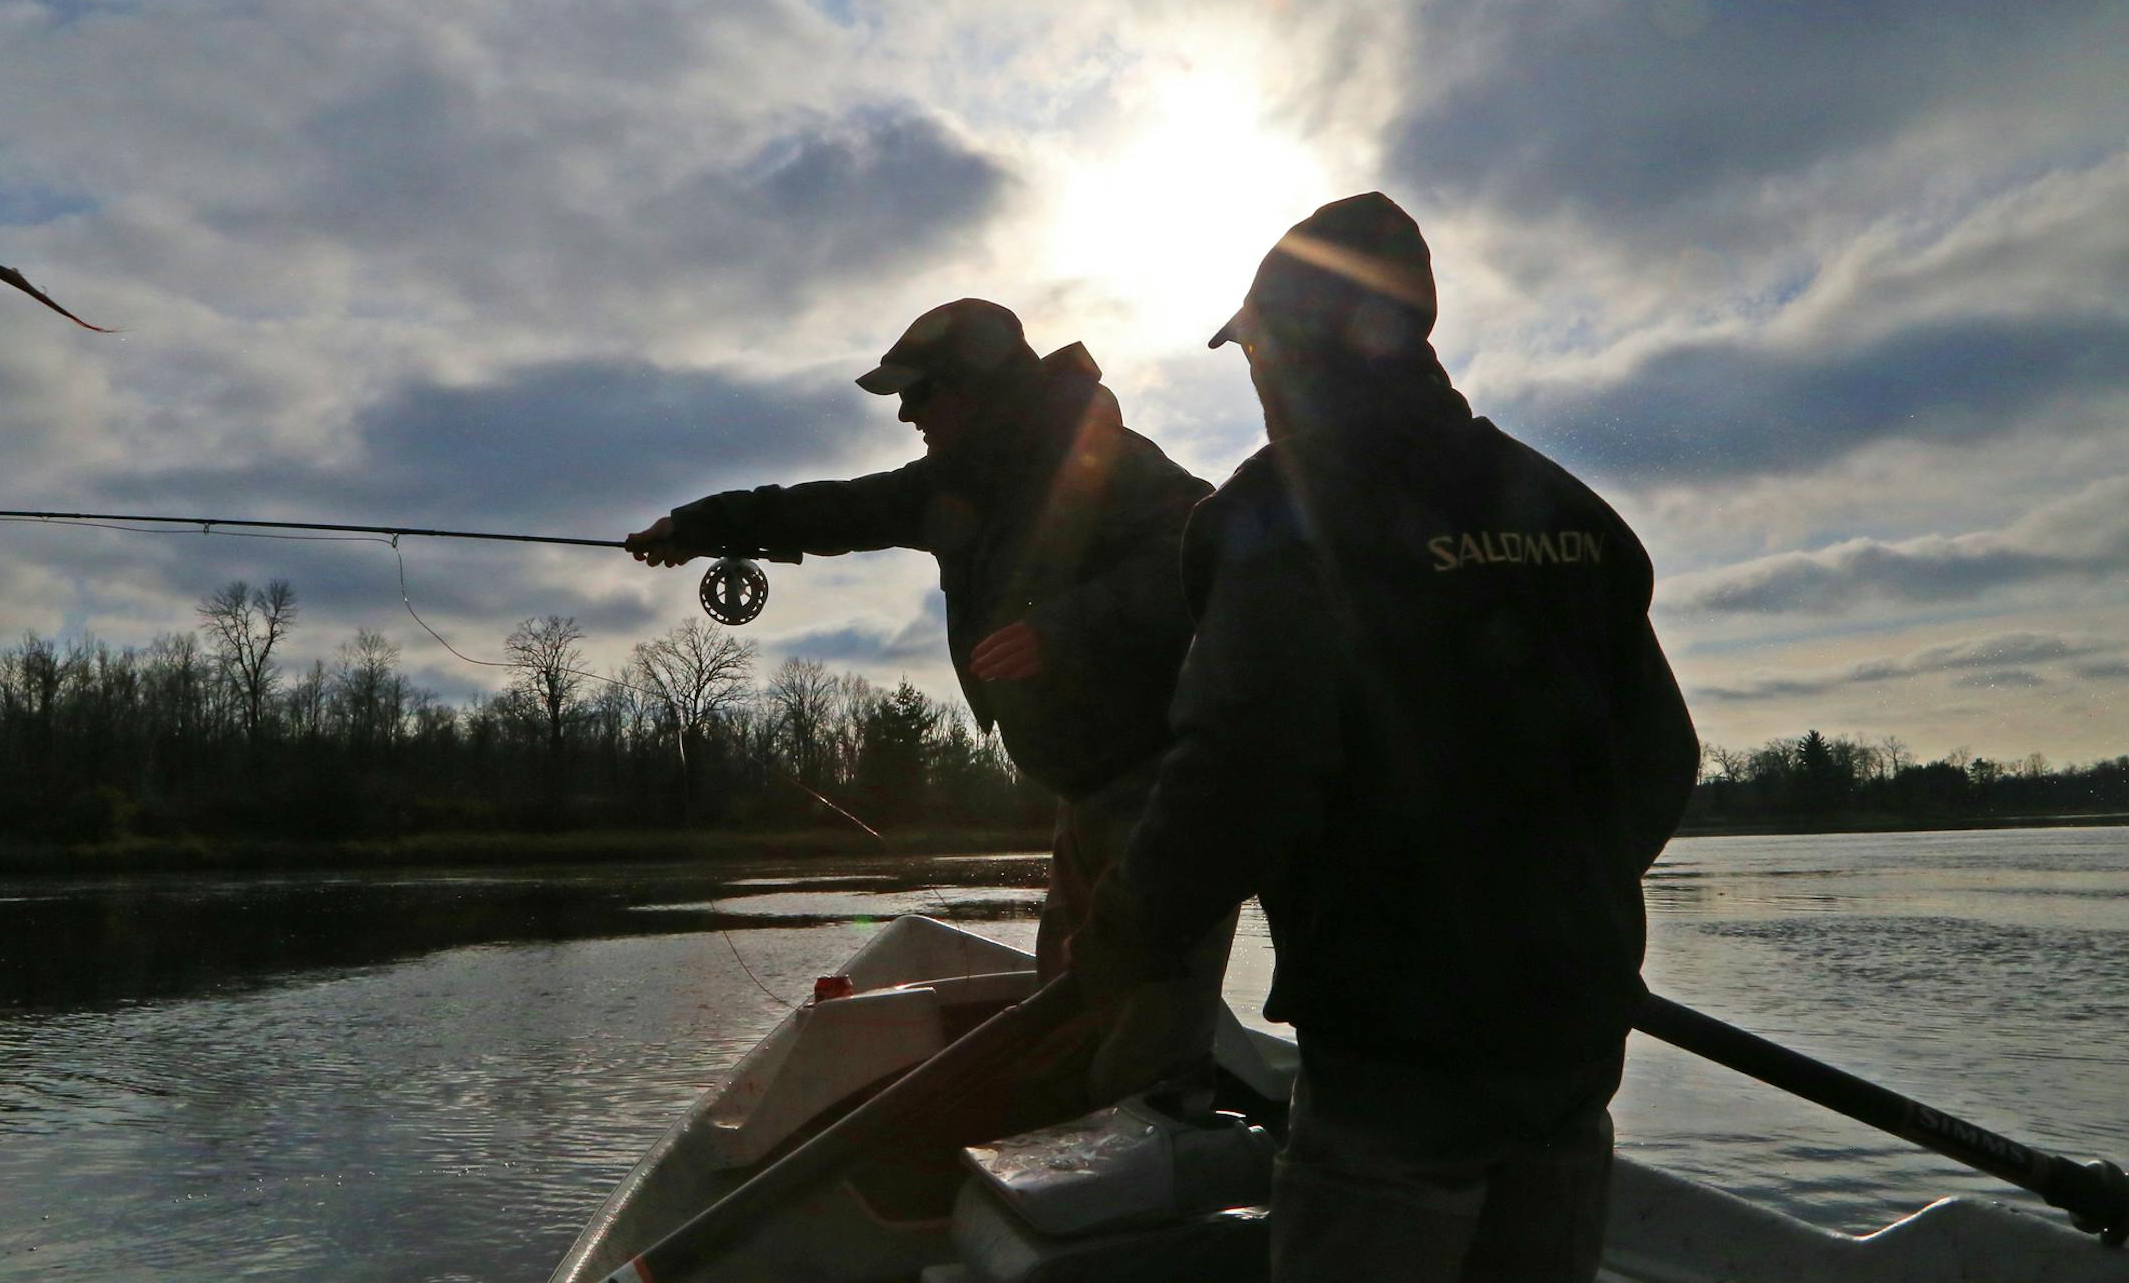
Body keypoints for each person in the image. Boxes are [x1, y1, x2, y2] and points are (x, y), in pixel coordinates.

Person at [1072, 194, 1699, 1281]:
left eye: (1256, 351)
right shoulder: (1570, 513)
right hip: (1573, 1042)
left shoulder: (1280, 517)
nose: (1255, 380)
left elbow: (1238, 767)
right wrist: (1547, 904)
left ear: (1293, 348)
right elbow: (1662, 761)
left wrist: (1130, 927)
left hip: (1395, 1064)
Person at [627, 297, 1232, 1115]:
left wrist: (1064, 627)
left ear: (974, 387)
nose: (906, 411)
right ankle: (1090, 1174)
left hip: (1168, 790)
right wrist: (702, 526)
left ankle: (1162, 1196)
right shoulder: (960, 483)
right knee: (1067, 1018)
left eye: (919, 392)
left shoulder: (1106, 460)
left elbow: (1203, 549)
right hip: (1085, 794)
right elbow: (832, 507)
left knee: (1144, 1047)